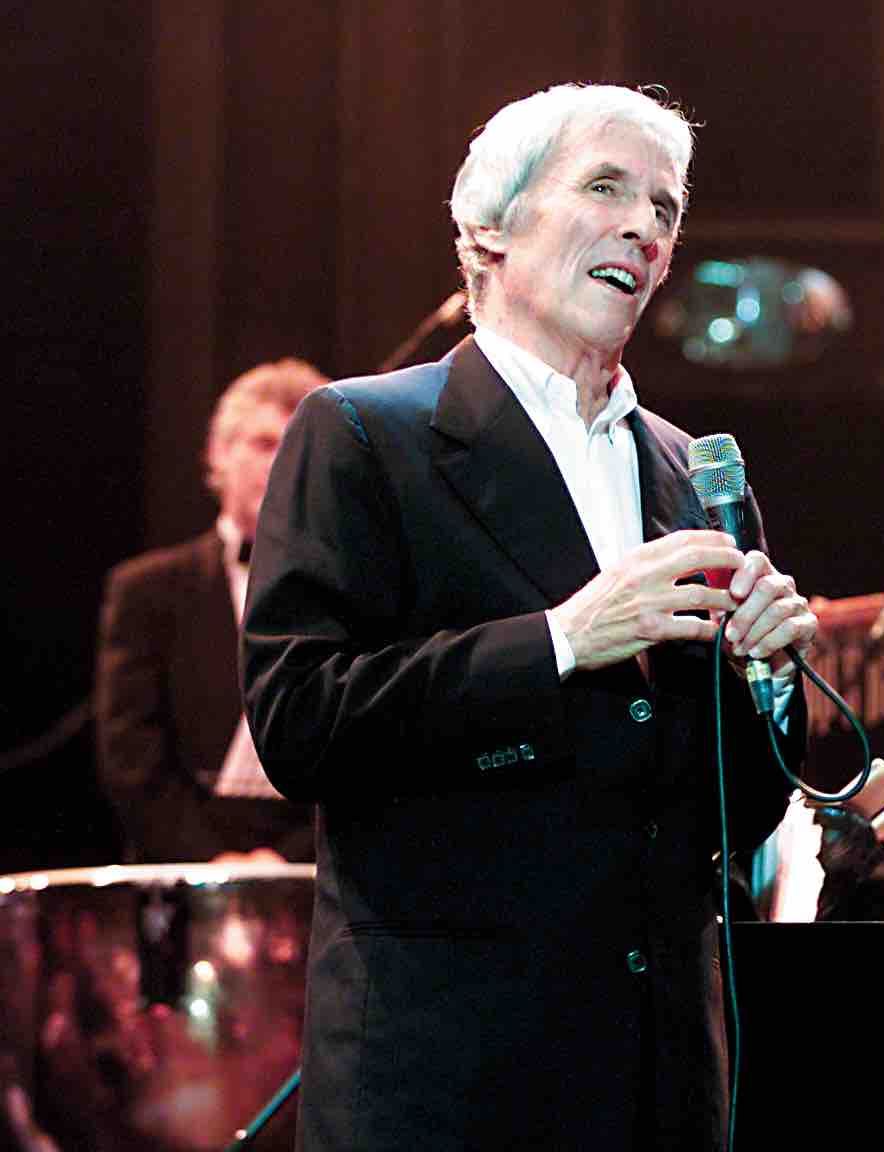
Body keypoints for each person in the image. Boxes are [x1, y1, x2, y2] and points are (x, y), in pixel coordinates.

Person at [240, 84, 817, 1150]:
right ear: (488, 229)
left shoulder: (695, 473)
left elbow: (731, 815)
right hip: (454, 1078)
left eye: (667, 206)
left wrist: (769, 682)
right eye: (606, 187)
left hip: (664, 1080)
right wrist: (560, 642)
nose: (646, 227)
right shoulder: (366, 435)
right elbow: (300, 724)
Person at [94, 357, 326, 864]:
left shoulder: (349, 590)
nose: (282, 461)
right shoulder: (148, 589)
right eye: (264, 444)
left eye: (297, 446)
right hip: (180, 866)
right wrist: (207, 862)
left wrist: (293, 858)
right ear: (218, 456)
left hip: (316, 866)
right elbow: (131, 754)